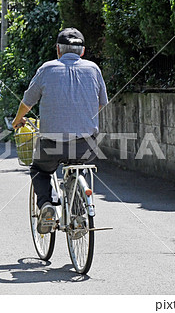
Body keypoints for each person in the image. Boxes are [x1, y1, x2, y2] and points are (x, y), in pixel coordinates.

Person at [12, 28, 108, 234]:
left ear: (58, 50)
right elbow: (101, 103)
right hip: (85, 144)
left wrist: (18, 119)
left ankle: (46, 205)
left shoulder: (47, 69)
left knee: (40, 169)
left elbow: (28, 102)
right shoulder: (93, 69)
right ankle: (79, 213)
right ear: (82, 51)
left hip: (51, 143)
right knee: (78, 167)